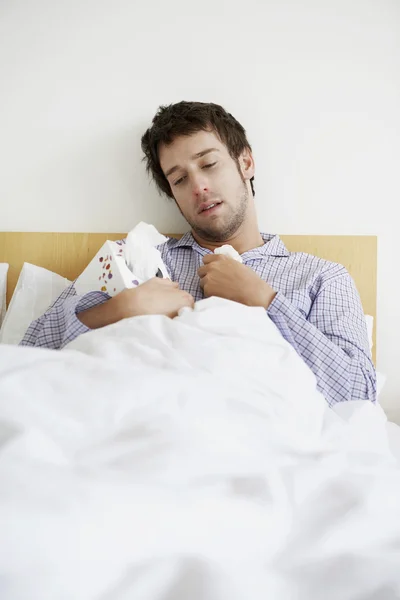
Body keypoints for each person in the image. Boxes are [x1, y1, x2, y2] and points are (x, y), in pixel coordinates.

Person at [21, 101, 376, 406]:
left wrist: (265, 300)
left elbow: (359, 395)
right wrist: (124, 307)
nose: (199, 187)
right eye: (179, 179)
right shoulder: (135, 259)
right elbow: (27, 357)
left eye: (209, 164)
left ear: (246, 163)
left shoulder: (319, 277)